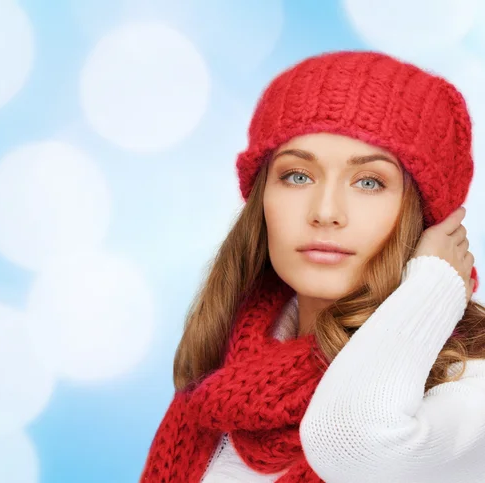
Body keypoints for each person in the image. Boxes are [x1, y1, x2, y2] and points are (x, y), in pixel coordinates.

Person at [139, 50, 485, 483]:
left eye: (369, 182)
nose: (325, 211)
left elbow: (356, 446)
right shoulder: (222, 383)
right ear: (262, 198)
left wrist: (433, 286)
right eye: (298, 176)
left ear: (428, 219)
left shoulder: (469, 389)